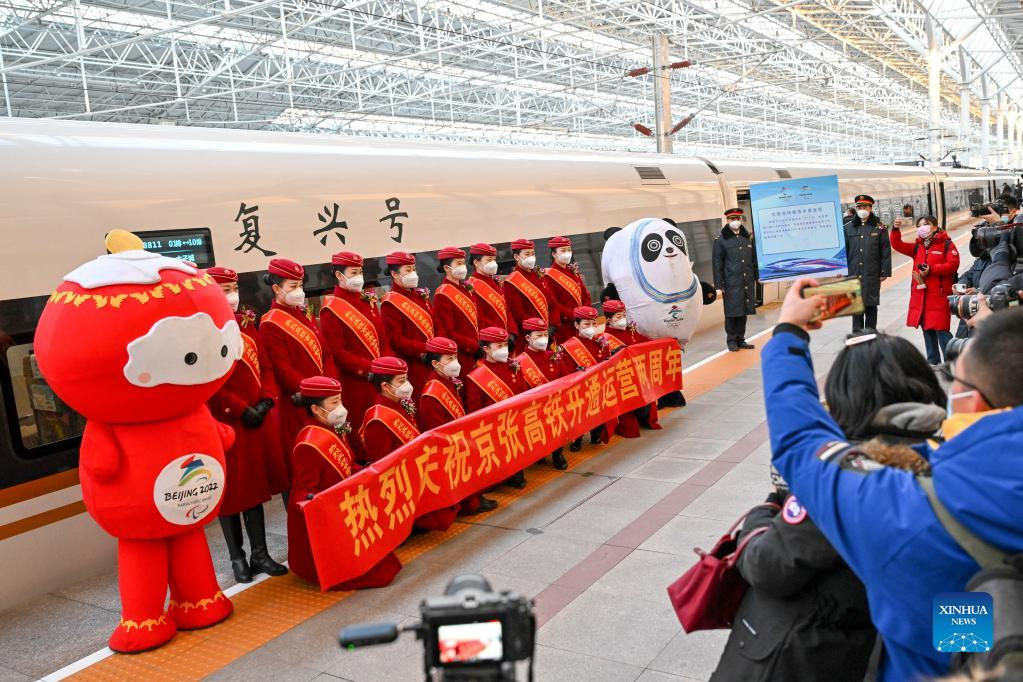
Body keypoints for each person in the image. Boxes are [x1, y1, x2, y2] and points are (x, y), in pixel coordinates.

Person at [761, 280, 1023, 682]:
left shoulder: (912, 509)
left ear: (971, 402)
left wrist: (788, 335)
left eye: (958, 378)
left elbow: (799, 441)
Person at [207, 267, 288, 584]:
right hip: (227, 423)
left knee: (253, 491)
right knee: (231, 495)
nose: (232, 296)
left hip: (257, 418)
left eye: (233, 288)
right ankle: (237, 557)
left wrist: (267, 400)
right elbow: (210, 384)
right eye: (224, 290)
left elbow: (265, 366)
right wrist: (241, 410)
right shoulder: (205, 331)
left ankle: (259, 553)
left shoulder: (247, 325)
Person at [288, 376, 401, 589]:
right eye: (334, 403)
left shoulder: (333, 428)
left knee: (385, 565)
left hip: (346, 502)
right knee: (377, 572)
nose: (340, 408)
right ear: (315, 408)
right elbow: (301, 493)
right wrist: (321, 503)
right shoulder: (308, 444)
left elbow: (348, 465)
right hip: (328, 515)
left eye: (339, 401)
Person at [260, 258, 335, 498]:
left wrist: (332, 388)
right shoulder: (270, 322)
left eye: (300, 285)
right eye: (292, 287)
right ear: (276, 288)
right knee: (303, 466)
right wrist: (317, 392)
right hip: (300, 405)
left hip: (323, 400)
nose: (299, 292)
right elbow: (283, 369)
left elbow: (326, 354)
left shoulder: (303, 315)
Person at [419, 336, 498, 515]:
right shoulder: (432, 393)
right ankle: (469, 501)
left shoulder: (447, 381)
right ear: (435, 363)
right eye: (449, 359)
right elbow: (435, 431)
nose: (455, 362)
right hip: (446, 447)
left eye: (455, 357)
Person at [319, 251, 391, 441]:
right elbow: (338, 353)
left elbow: (382, 339)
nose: (358, 277)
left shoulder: (368, 301)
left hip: (382, 376)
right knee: (365, 430)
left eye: (360, 272)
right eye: (353, 273)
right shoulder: (331, 309)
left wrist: (388, 366)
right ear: (339, 275)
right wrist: (372, 368)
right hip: (357, 381)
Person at [890, 216, 960, 364]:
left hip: (939, 296)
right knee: (927, 330)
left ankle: (952, 362)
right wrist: (895, 229)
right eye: (919, 225)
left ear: (935, 227)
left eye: (926, 224)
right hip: (921, 296)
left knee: (942, 330)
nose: (922, 227)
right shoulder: (917, 247)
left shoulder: (946, 244)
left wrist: (932, 270)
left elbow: (953, 265)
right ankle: (933, 362)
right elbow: (897, 244)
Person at [465, 327, 528, 488]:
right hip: (491, 429)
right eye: (498, 346)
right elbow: (475, 410)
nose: (504, 350)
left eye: (505, 345)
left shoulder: (513, 367)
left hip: (514, 426)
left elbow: (524, 394)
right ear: (486, 349)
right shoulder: (478, 375)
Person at [557, 306, 615, 451]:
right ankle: (577, 438)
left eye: (593, 324)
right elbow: (565, 372)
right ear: (577, 325)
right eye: (586, 324)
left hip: (598, 387)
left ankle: (596, 433)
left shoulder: (601, 342)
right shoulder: (567, 347)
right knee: (580, 414)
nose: (591, 328)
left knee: (599, 409)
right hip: (580, 390)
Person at [515, 317, 570, 470]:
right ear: (527, 338)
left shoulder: (553, 357)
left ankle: (557, 453)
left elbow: (566, 379)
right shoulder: (519, 363)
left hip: (555, 405)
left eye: (545, 335)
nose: (543, 339)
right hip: (534, 408)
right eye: (538, 336)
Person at [602, 299, 660, 437]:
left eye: (623, 315)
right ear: (608, 320)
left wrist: (663, 343)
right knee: (630, 427)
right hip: (623, 383)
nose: (622, 319)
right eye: (618, 316)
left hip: (639, 377)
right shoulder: (604, 339)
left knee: (646, 409)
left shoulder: (631, 331)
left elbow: (646, 342)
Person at [380, 251, 434, 395]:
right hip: (414, 363)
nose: (413, 274)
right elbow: (396, 340)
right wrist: (425, 349)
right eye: (408, 270)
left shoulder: (421, 295)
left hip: (433, 359)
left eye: (414, 269)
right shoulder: (390, 302)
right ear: (395, 274)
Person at [358, 356, 420, 465]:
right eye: (401, 381)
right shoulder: (378, 421)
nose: (407, 385)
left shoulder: (399, 403)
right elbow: (383, 464)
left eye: (406, 379)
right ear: (385, 386)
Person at [844, 194, 892, 331]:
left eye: (865, 206)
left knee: (871, 306)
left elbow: (885, 251)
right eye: (859, 207)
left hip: (872, 273)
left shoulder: (880, 227)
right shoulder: (848, 228)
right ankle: (857, 336)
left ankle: (871, 336)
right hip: (853, 273)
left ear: (871, 208)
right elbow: (845, 251)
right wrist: (841, 270)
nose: (862, 209)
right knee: (856, 308)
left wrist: (884, 272)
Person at [712, 208, 758, 351]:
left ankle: (741, 339)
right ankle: (731, 340)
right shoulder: (721, 241)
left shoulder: (747, 238)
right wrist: (719, 285)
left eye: (737, 219)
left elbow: (754, 260)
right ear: (727, 220)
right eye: (732, 219)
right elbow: (717, 263)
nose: (735, 221)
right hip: (731, 283)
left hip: (746, 281)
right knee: (732, 312)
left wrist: (757, 277)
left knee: (743, 311)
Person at [433, 247, 478, 380]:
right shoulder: (443, 293)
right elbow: (449, 332)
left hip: (476, 350)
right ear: (447, 268)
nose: (463, 267)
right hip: (461, 353)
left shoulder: (465, 289)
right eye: (458, 264)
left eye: (463, 263)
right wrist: (472, 346)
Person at [504, 238, 554, 352]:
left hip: (547, 334)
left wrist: (552, 327)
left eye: (533, 253)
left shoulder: (539, 276)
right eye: (527, 254)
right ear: (516, 257)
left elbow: (552, 303)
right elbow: (518, 314)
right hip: (529, 337)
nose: (531, 257)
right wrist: (538, 329)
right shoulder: (512, 282)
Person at [545, 236, 592, 344]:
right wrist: (575, 316)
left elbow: (585, 296)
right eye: (563, 250)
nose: (567, 253)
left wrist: (585, 314)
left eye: (569, 250)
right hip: (565, 326)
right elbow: (554, 304)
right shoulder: (548, 276)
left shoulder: (573, 272)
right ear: (554, 254)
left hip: (583, 324)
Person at [468, 242, 515, 337]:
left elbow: (506, 309)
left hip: (506, 335)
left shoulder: (495, 281)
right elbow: (480, 318)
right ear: (476, 262)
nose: (493, 263)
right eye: (489, 260)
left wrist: (512, 332)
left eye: (494, 260)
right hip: (491, 337)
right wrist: (500, 333)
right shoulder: (471, 285)